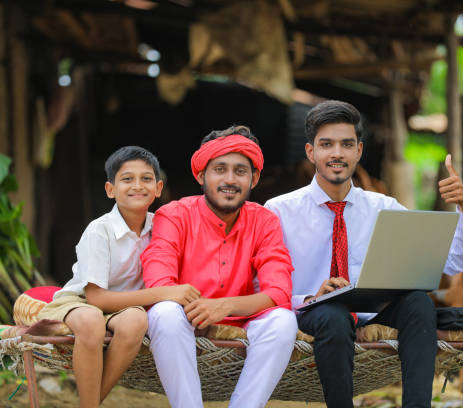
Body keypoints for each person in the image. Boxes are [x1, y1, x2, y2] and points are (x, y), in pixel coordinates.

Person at [265, 100, 463, 408]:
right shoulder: (278, 211)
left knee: (419, 302)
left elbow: (455, 261)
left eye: (346, 144)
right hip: (313, 313)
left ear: (359, 151)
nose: (337, 153)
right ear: (311, 152)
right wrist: (309, 297)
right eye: (327, 144)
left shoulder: (384, 207)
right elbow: (263, 285)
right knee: (332, 316)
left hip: (375, 309)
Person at [141, 125, 298, 408]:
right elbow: (158, 283)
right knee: (165, 311)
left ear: (255, 178)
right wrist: (197, 309)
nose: (230, 179)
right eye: (220, 169)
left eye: (240, 171)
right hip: (180, 322)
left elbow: (279, 293)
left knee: (283, 322)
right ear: (201, 175)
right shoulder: (174, 215)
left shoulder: (264, 221)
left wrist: (223, 306)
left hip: (242, 320)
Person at [37, 146, 200, 408]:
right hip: (81, 302)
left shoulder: (162, 226)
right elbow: (96, 298)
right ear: (110, 190)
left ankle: (89, 404)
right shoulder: (99, 230)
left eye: (146, 179)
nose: (137, 185)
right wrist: (167, 293)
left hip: (127, 308)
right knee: (91, 321)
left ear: (158, 188)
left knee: (136, 320)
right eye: (127, 179)